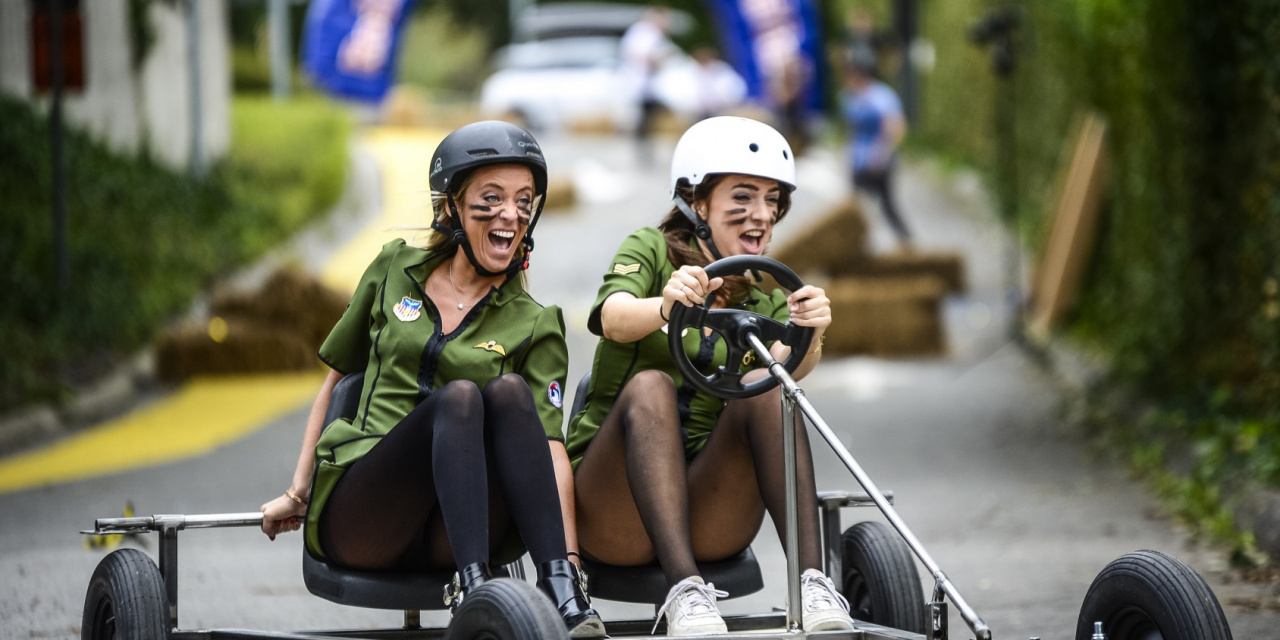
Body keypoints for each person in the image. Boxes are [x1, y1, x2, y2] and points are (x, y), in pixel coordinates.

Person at [259, 121, 604, 638]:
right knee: (460, 397)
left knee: (509, 394)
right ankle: (474, 588)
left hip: (457, 524)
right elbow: (335, 381)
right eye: (492, 198)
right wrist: (298, 490)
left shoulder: (536, 321)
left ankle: (558, 588)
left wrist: (570, 560)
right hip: (367, 511)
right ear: (452, 208)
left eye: (524, 201)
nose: (511, 214)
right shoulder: (394, 268)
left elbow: (549, 447)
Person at [566, 116, 854, 636]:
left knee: (767, 389)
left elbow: (792, 368)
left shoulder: (763, 293)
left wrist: (810, 331)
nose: (761, 215)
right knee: (650, 384)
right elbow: (612, 316)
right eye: (742, 197)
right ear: (698, 203)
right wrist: (665, 304)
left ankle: (813, 581)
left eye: (772, 201)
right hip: (615, 510)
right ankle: (684, 593)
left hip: (705, 509)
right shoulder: (650, 250)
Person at [842, 49, 912, 249]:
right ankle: (858, 248)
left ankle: (906, 242)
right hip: (859, 161)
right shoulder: (850, 98)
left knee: (887, 206)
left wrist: (882, 152)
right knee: (855, 209)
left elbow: (896, 125)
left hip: (879, 162)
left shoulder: (881, 95)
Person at [621, 6, 674, 163]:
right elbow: (648, 56)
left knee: (647, 117)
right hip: (644, 84)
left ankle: (644, 148)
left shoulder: (641, 32)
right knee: (651, 115)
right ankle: (644, 149)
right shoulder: (647, 33)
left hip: (645, 84)